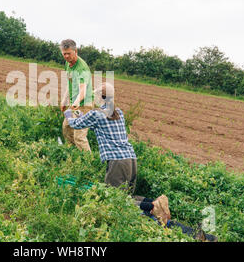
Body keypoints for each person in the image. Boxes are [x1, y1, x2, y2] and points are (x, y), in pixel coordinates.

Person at [64, 82, 217, 241]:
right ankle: (154, 205)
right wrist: (80, 115)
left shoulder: (96, 114)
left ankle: (155, 210)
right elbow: (92, 122)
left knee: (117, 203)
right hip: (130, 160)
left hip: (117, 163)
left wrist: (69, 113)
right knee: (127, 197)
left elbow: (75, 124)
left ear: (99, 98)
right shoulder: (119, 112)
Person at [60, 39, 93, 152]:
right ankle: (72, 153)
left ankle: (89, 162)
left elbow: (83, 89)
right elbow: (70, 83)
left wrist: (77, 101)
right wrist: (64, 100)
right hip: (73, 103)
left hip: (84, 105)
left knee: (79, 136)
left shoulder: (81, 68)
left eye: (69, 53)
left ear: (75, 51)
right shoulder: (67, 64)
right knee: (67, 128)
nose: (67, 56)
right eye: (64, 53)